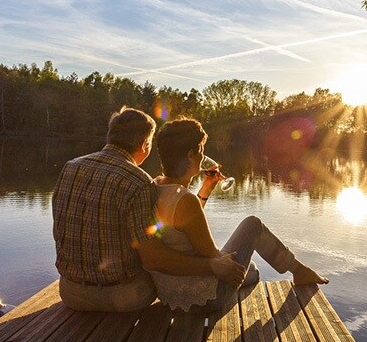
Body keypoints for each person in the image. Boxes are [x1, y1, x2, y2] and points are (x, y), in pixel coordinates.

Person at [52, 108, 245, 312]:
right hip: (122, 297)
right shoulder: (137, 181)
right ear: (144, 145)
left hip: (70, 292)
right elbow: (153, 258)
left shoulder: (70, 167)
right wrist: (213, 265)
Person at [150, 117, 327, 312]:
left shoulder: (156, 186)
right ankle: (300, 271)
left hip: (168, 293)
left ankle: (275, 271)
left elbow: (183, 225)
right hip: (203, 299)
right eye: (201, 150)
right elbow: (212, 255)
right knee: (253, 226)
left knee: (252, 270)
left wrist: (206, 189)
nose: (203, 157)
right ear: (191, 155)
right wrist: (229, 260)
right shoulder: (185, 200)